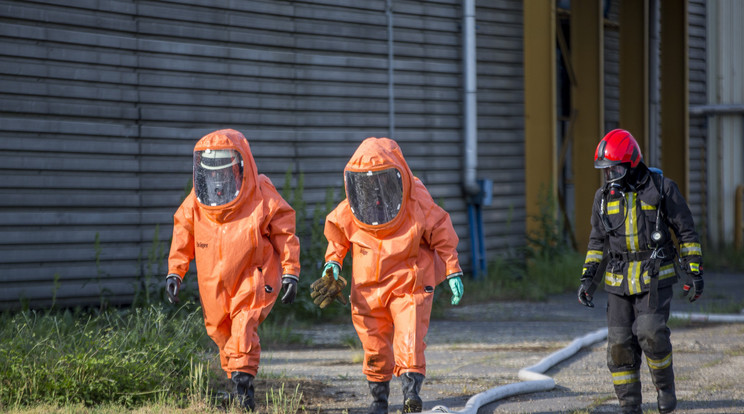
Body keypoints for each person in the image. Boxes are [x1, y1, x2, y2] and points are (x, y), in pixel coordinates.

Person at [320, 137, 464, 414]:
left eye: (381, 181)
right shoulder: (351, 208)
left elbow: (442, 234)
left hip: (409, 284)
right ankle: (379, 402)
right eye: (366, 183)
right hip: (366, 290)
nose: (374, 190)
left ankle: (411, 395)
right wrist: (332, 264)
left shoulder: (417, 201)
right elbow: (337, 238)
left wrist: (452, 269)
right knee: (374, 346)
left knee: (409, 337)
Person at [164, 129, 301, 411]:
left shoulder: (261, 193)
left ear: (239, 168)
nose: (218, 179)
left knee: (243, 329)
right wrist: (175, 272)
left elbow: (284, 233)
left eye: (224, 172)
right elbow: (182, 235)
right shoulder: (196, 203)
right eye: (212, 173)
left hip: (253, 277)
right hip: (212, 284)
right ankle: (237, 380)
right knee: (219, 332)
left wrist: (290, 271)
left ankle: (244, 391)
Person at [577, 129, 704, 414]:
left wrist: (694, 270)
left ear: (632, 163)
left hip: (654, 276)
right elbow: (598, 242)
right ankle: (629, 405)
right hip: (618, 279)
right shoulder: (602, 198)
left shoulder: (662, 189)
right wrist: (587, 279)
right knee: (619, 345)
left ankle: (665, 388)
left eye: (615, 169)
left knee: (651, 333)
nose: (610, 175)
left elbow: (686, 232)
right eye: (606, 170)